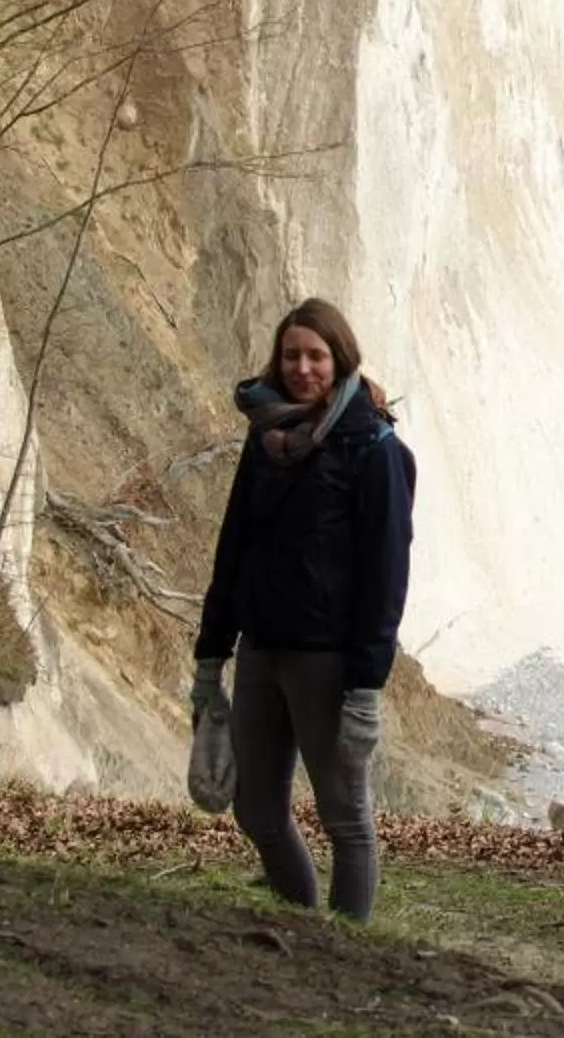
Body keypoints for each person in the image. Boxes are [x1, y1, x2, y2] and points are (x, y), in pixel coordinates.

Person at [192, 297, 416, 922]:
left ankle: (345, 952)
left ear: (340, 358)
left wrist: (366, 687)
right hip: (261, 647)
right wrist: (212, 655)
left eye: (316, 355)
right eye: (291, 355)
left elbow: (386, 577)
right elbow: (235, 544)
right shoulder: (264, 437)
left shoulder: (373, 447)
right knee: (256, 808)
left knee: (345, 818)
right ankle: (300, 926)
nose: (302, 368)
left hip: (327, 660)